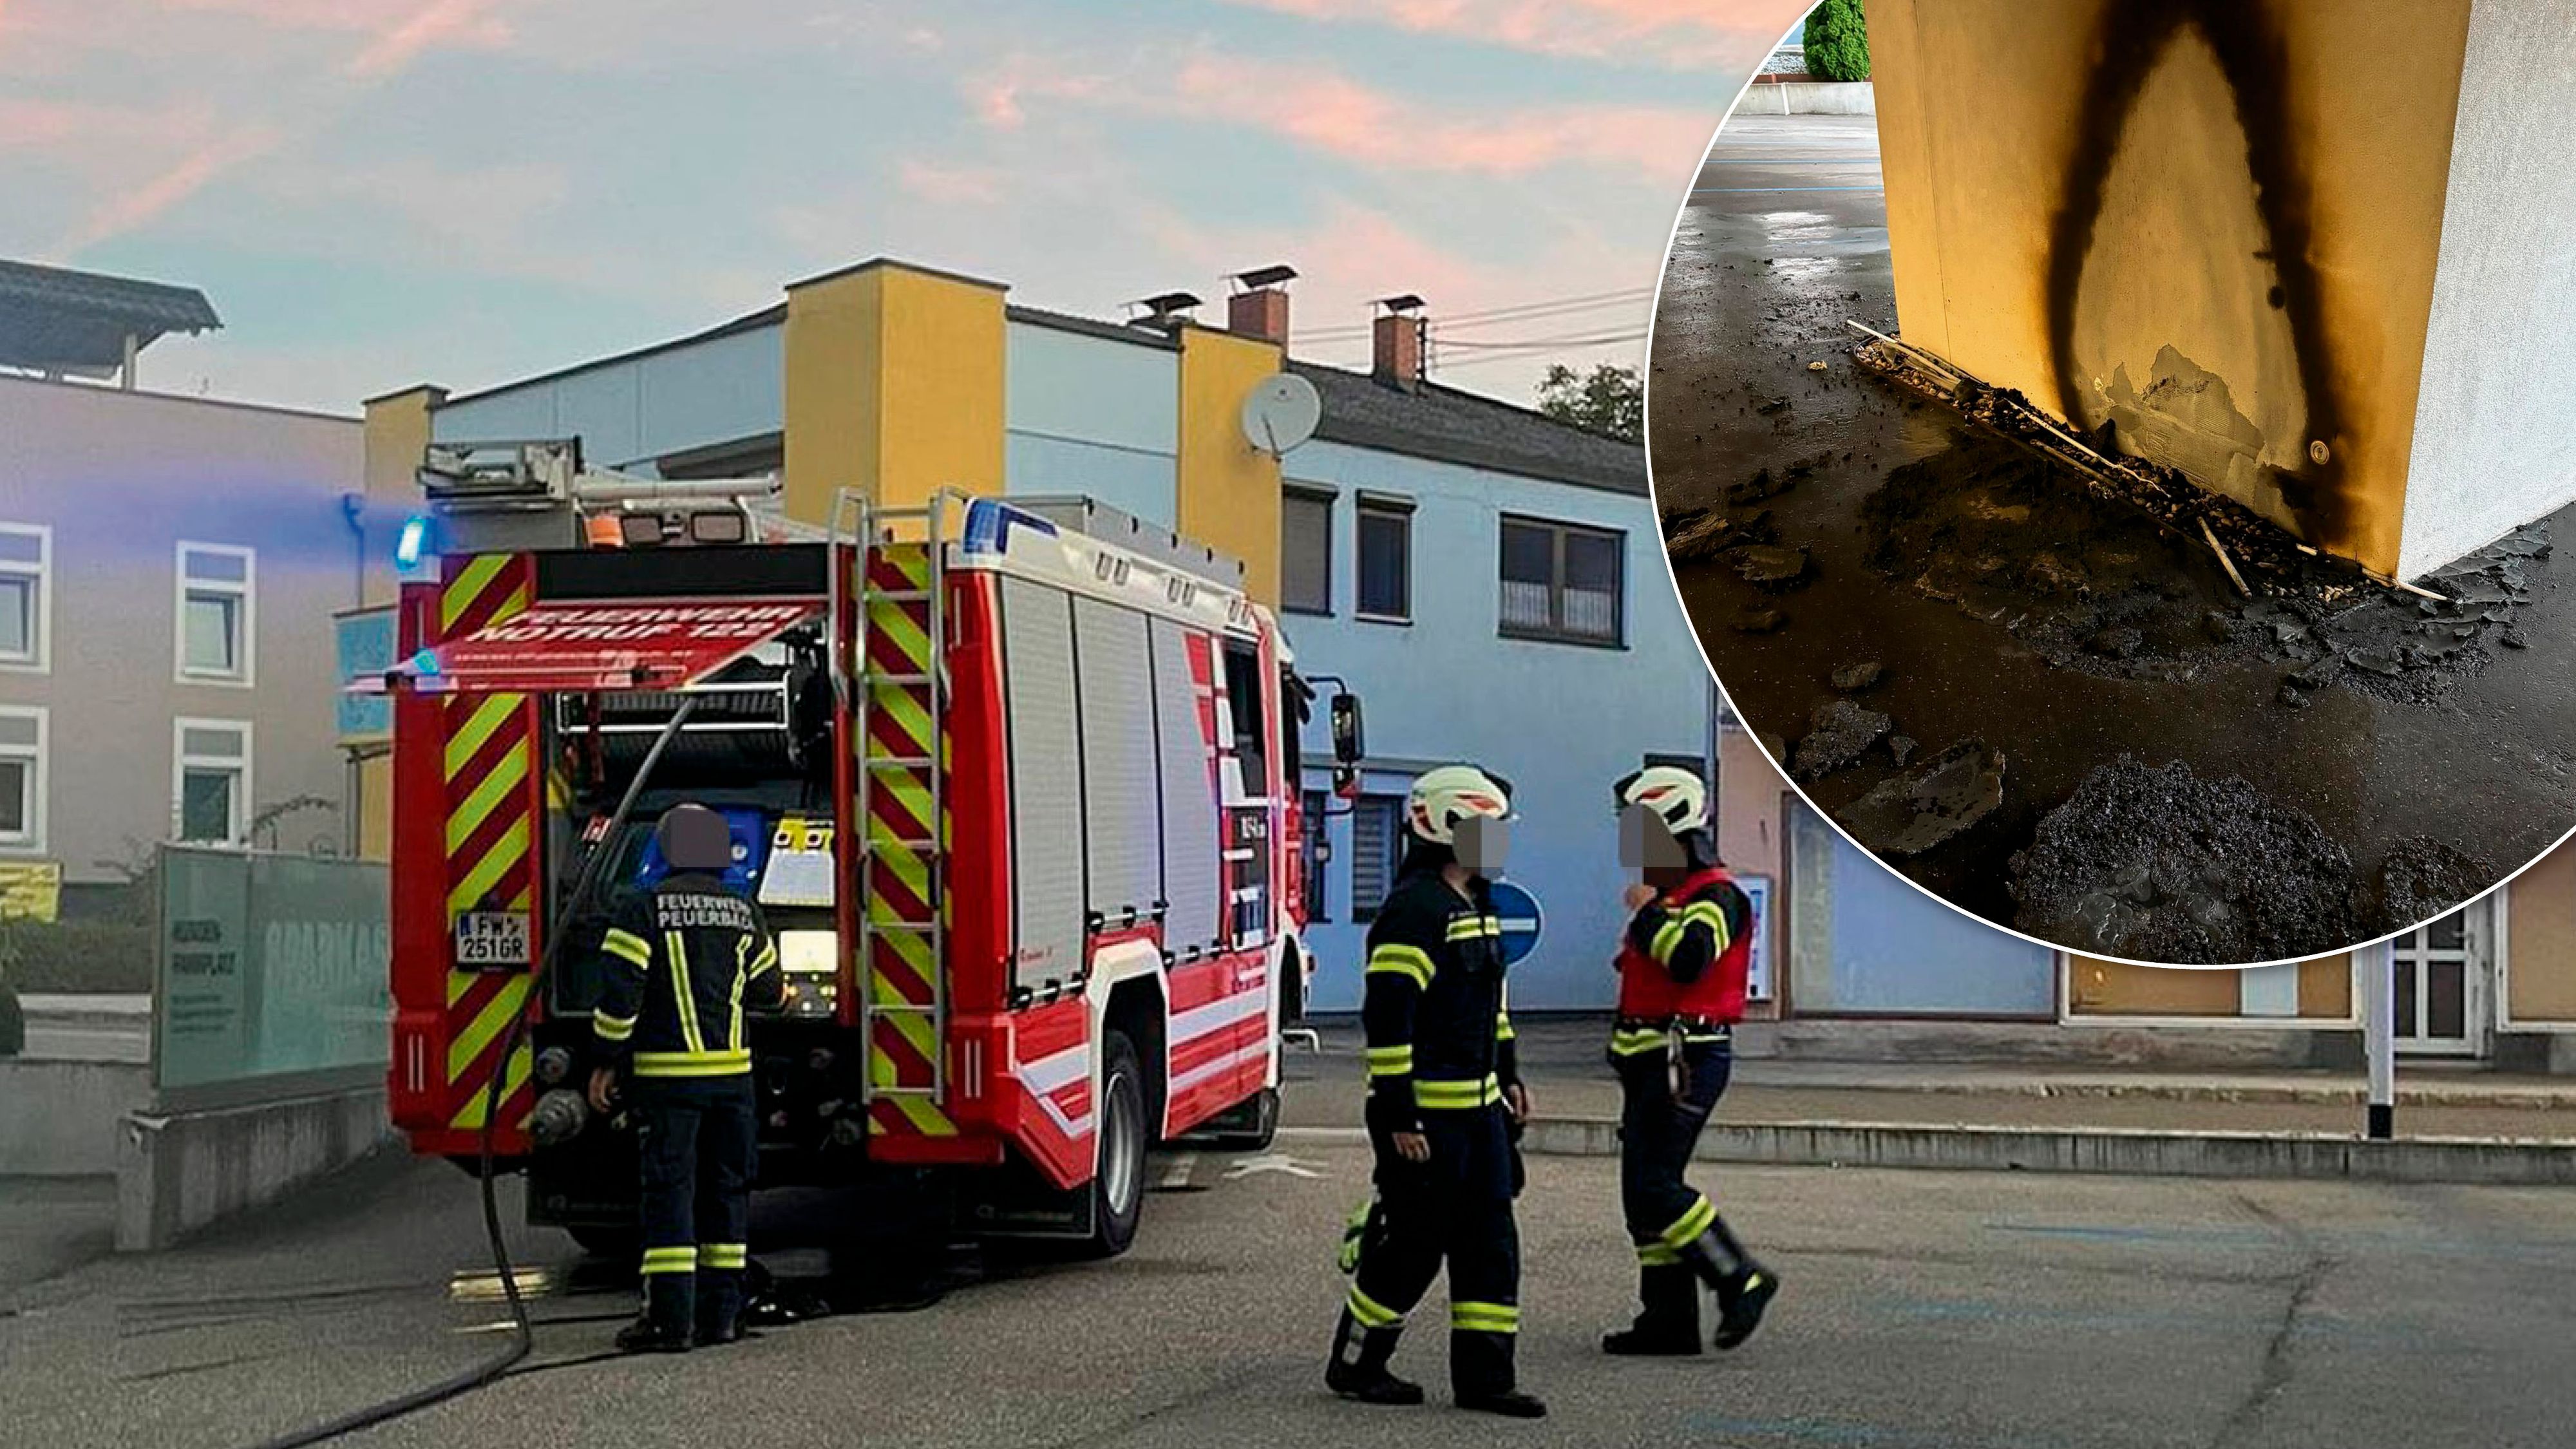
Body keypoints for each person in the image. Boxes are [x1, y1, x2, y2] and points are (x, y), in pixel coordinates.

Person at [1327, 764, 1545, 1419]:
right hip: (1424, 1120)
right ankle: (1356, 1362)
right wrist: (1400, 1115)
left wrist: (1508, 1076)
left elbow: (1490, 1006)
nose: (1499, 843)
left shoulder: (1473, 905)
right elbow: (1388, 1019)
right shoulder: (1414, 911)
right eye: (1488, 830)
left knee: (1491, 1245)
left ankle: (1486, 1382)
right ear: (1447, 829)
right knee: (1415, 1247)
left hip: (1478, 1117)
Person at [587, 802, 782, 1354]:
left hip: (668, 1083)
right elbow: (772, 992)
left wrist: (605, 1060)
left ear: (667, 851)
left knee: (671, 1197)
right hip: (734, 1085)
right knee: (726, 1195)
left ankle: (670, 1324)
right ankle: (722, 1317)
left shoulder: (641, 910)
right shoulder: (745, 913)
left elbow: (620, 997)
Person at [1600, 765, 1778, 1357]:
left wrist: (1648, 913)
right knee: (1643, 1196)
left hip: (1686, 1061)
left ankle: (1739, 1277)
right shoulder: (1679, 895)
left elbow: (1689, 960)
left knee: (1655, 1188)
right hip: (1652, 1062)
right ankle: (1668, 1320)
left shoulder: (1714, 896)